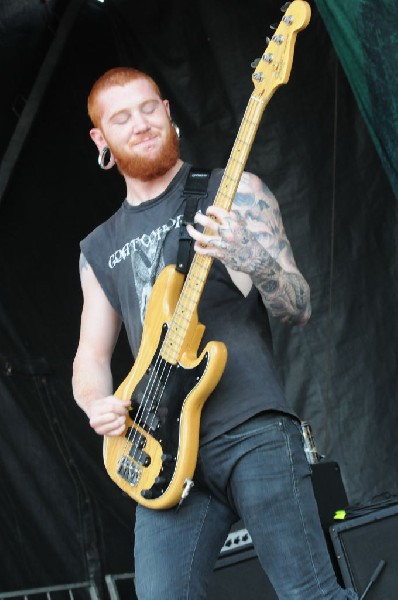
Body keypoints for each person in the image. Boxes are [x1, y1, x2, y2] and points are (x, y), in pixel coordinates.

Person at [72, 67, 357, 600]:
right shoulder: (99, 247)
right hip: (162, 447)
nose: (141, 124)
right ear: (100, 138)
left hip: (253, 429)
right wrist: (96, 403)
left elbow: (299, 306)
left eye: (149, 107)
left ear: (168, 110)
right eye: (121, 117)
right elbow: (90, 355)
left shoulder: (233, 193)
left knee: (310, 593)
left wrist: (251, 257)